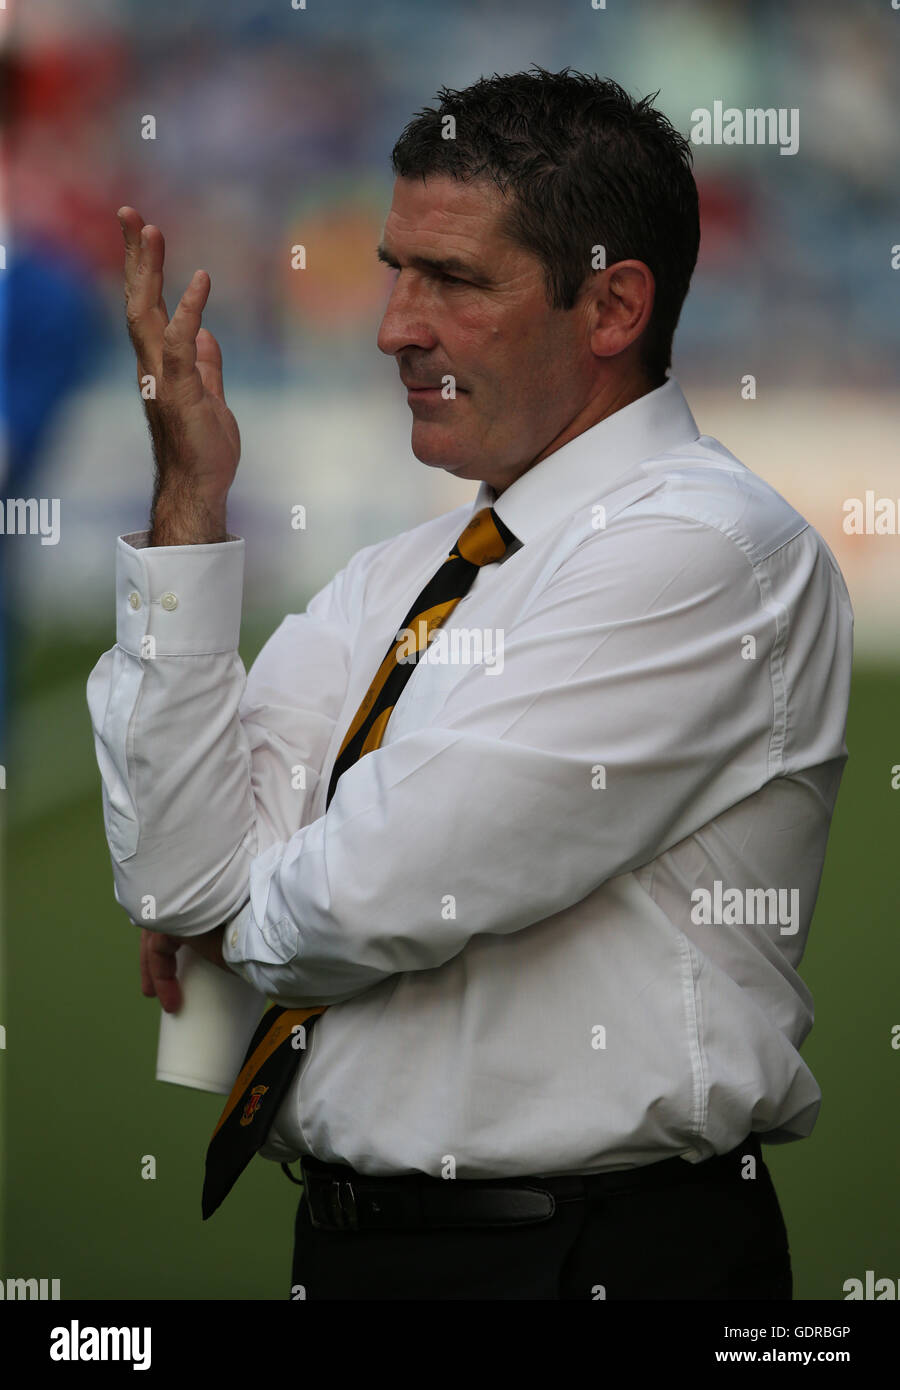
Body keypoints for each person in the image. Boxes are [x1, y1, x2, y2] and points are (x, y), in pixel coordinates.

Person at [86, 68, 853, 1301]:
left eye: (449, 279)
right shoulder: (398, 573)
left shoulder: (709, 549)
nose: (393, 323)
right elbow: (175, 868)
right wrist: (190, 507)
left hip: (594, 1259)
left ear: (611, 306)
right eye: (396, 269)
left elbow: (379, 887)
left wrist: (228, 928)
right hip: (355, 1248)